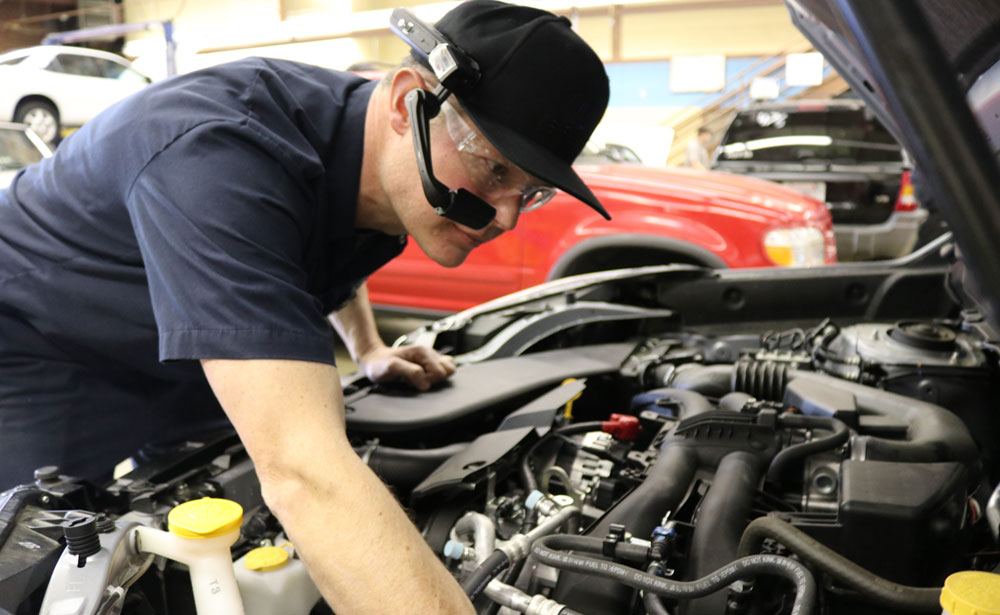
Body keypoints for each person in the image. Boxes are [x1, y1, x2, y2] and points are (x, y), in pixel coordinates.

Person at [0, 1, 609, 612]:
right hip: (44, 343)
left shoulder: (392, 162)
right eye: (493, 168)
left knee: (230, 534)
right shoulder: (221, 153)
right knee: (39, 567)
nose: (503, 214)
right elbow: (304, 474)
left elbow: (320, 252)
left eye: (531, 192)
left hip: (191, 347)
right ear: (407, 104)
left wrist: (367, 349)